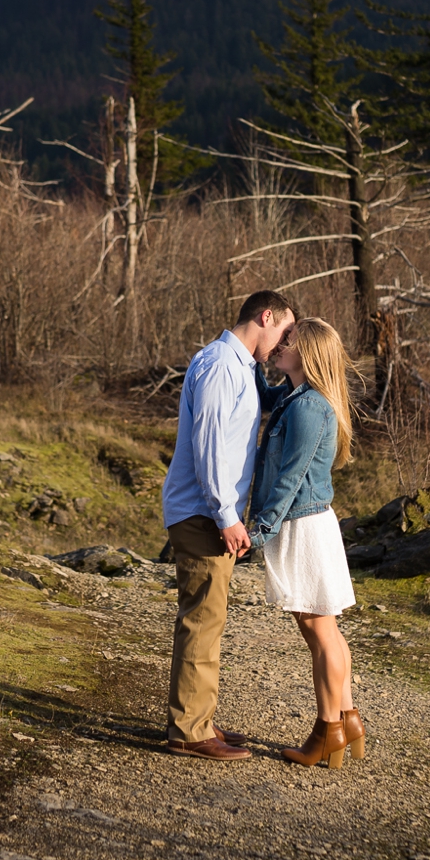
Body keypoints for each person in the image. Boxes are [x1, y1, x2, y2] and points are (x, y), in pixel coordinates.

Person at [160, 290, 296, 760]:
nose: (282, 345)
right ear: (265, 316)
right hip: (203, 513)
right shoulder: (220, 364)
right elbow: (209, 447)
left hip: (208, 513)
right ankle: (190, 733)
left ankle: (199, 719)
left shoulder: (243, 368)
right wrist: (226, 515)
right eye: (283, 332)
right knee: (202, 619)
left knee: (208, 618)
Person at [245, 316, 364, 769]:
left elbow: (291, 478)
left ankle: (327, 730)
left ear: (307, 352)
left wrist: (263, 529)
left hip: (304, 525)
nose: (280, 346)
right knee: (322, 630)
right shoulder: (294, 397)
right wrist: (258, 355)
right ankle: (347, 718)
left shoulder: (312, 407)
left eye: (287, 342)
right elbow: (264, 395)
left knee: (320, 632)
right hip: (304, 523)